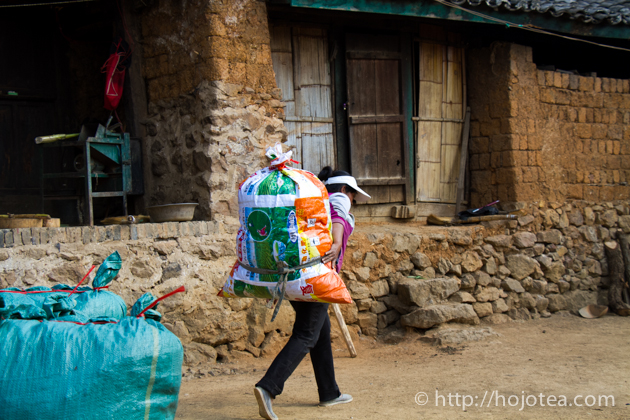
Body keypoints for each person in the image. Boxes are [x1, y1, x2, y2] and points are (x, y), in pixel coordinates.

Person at [253, 166, 371, 420]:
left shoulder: (308, 202)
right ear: (344, 189)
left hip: (296, 275)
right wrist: (337, 242)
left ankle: (329, 392)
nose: (352, 200)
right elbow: (339, 216)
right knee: (307, 334)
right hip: (316, 278)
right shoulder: (336, 198)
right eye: (352, 195)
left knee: (320, 330)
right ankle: (268, 387)